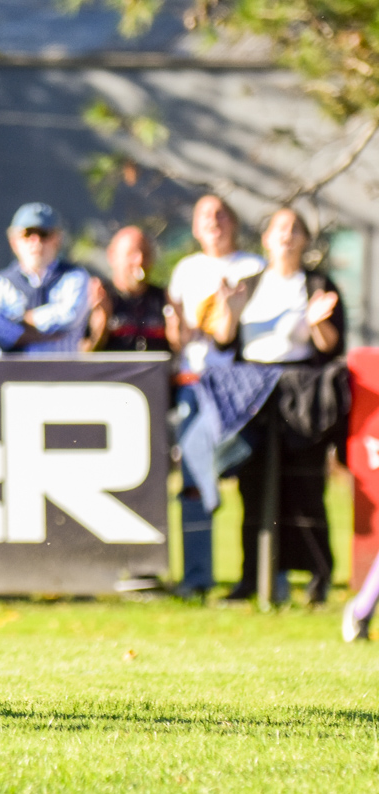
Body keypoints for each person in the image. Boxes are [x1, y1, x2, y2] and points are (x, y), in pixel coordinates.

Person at [211, 208, 344, 604]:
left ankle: (316, 577)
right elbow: (223, 342)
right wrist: (229, 315)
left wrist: (318, 322)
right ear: (266, 238)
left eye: (294, 230)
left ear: (304, 240)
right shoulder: (248, 285)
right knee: (252, 489)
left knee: (304, 486)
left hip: (301, 396)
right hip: (252, 394)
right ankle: (254, 576)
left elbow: (332, 347)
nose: (286, 236)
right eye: (279, 229)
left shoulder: (317, 285)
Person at [166, 195, 267, 597]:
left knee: (249, 475)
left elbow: (234, 333)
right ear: (194, 227)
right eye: (205, 215)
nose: (214, 221)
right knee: (194, 482)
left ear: (235, 223)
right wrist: (180, 332)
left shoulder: (252, 267)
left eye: (222, 213)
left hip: (240, 387)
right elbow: (178, 335)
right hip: (194, 384)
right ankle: (196, 576)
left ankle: (256, 577)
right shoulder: (185, 270)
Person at [0, 202, 92, 353]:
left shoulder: (75, 276)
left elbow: (69, 317)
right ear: (14, 241)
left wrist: (20, 319)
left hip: (60, 374)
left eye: (44, 234)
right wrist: (38, 335)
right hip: (12, 374)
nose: (36, 242)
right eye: (27, 234)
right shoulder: (0, 283)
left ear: (58, 239)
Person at [84, 226, 178, 353]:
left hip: (155, 372)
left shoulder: (163, 298)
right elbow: (82, 354)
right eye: (132, 254)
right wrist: (100, 327)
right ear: (112, 256)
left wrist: (176, 334)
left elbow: (179, 352)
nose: (140, 260)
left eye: (145, 253)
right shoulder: (101, 297)